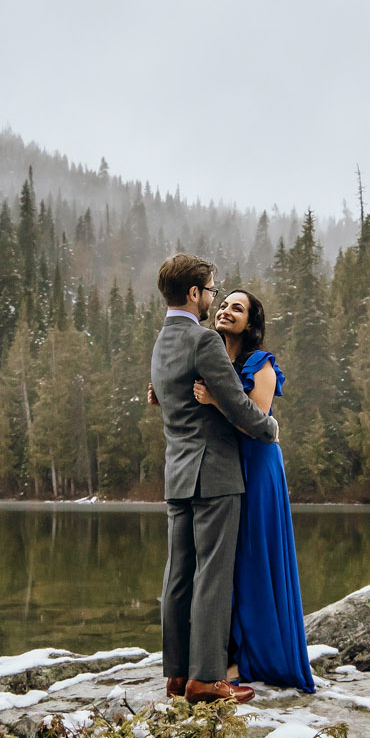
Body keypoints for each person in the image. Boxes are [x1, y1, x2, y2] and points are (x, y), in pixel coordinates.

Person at [149, 253, 279, 704]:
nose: (211, 299)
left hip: (177, 474)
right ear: (193, 294)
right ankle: (205, 679)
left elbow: (167, 401)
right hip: (215, 475)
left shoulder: (161, 343)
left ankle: (176, 673)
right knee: (212, 577)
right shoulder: (204, 342)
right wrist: (270, 429)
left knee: (178, 575)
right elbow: (240, 407)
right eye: (209, 291)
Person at [191, 289, 314, 692]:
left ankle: (263, 658)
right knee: (229, 562)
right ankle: (230, 657)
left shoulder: (260, 363)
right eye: (223, 304)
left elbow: (255, 421)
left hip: (257, 466)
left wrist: (213, 400)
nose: (226, 311)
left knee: (256, 558)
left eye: (237, 308)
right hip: (222, 467)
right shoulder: (210, 358)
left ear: (250, 322)